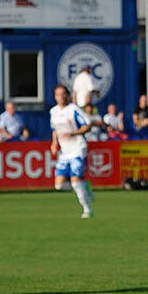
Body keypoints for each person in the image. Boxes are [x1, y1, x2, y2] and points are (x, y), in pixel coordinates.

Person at [50, 85, 95, 218]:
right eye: (58, 94)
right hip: (65, 151)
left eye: (63, 94)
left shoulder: (73, 109)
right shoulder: (53, 111)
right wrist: (54, 143)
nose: (61, 97)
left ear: (67, 95)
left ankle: (88, 210)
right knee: (59, 186)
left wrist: (74, 133)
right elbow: (54, 129)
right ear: (55, 96)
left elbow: (88, 125)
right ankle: (85, 186)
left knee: (75, 181)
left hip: (78, 149)